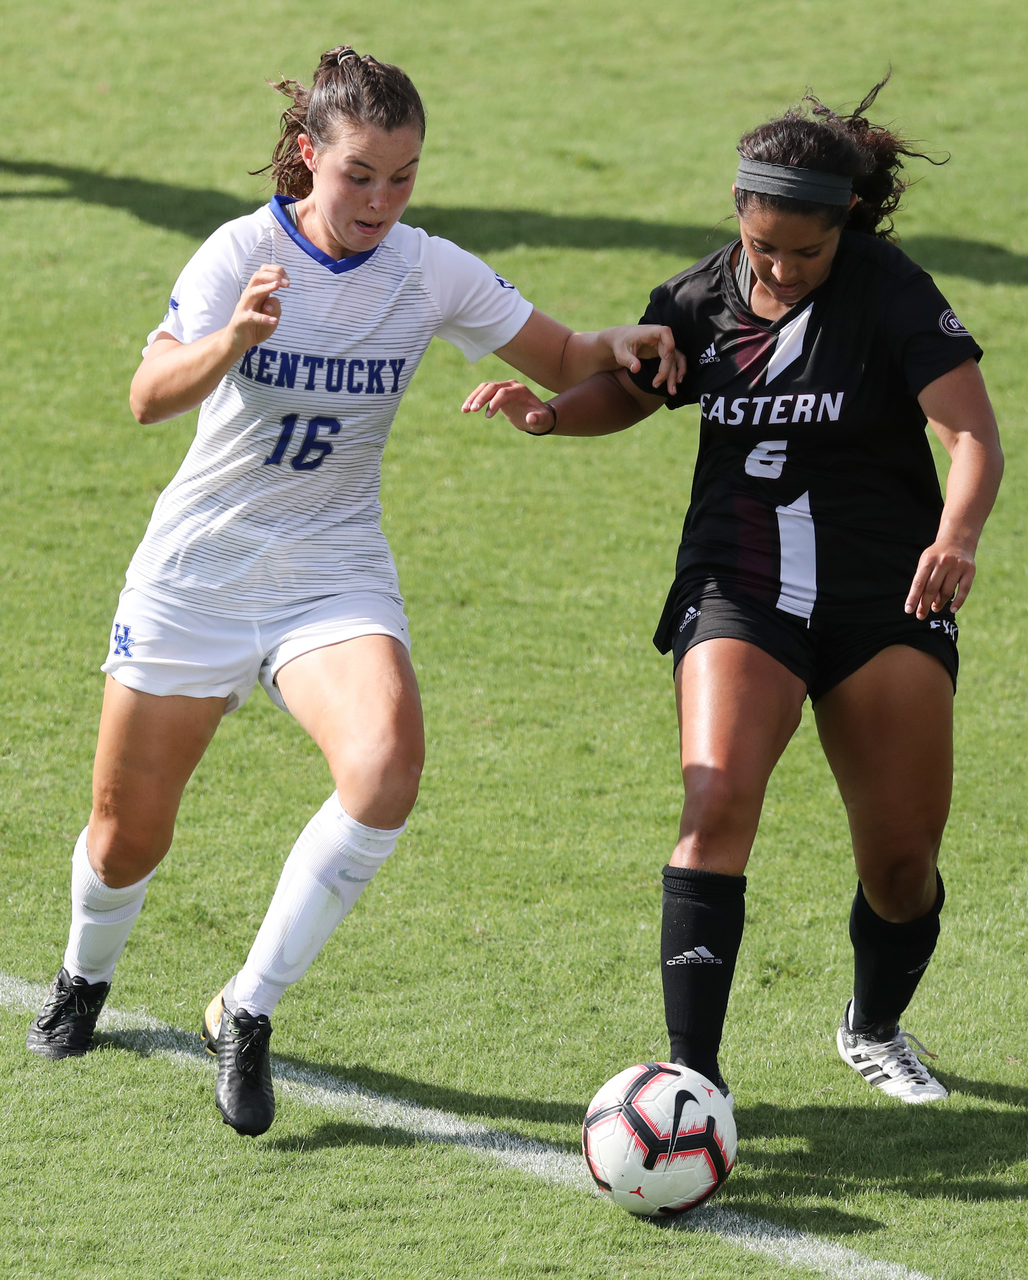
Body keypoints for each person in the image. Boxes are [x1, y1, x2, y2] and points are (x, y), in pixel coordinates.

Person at [25, 45, 685, 1137]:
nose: (382, 200)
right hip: (197, 575)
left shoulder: (428, 269)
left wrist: (616, 342)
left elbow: (565, 353)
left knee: (385, 766)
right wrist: (234, 338)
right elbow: (148, 395)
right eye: (359, 175)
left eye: (403, 176)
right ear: (307, 155)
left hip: (330, 567)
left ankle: (246, 1008)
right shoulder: (240, 252)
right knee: (125, 836)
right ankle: (83, 976)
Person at [463, 80, 1003, 1105]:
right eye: (763, 248)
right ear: (737, 212)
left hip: (884, 592)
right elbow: (629, 390)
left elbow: (970, 433)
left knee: (900, 866)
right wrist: (549, 415)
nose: (782, 269)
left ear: (846, 220)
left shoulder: (891, 291)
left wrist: (957, 535)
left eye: (807, 252)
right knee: (713, 802)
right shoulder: (700, 298)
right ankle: (692, 1079)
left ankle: (873, 1024)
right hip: (738, 582)